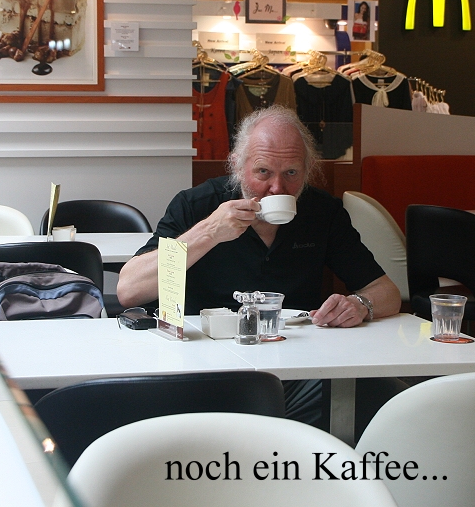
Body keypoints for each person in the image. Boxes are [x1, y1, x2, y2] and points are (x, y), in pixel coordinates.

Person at [118, 105, 402, 424]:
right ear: (238, 166)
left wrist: (360, 305)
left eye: (291, 173)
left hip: (293, 365)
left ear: (308, 170)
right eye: (263, 172)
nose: (277, 188)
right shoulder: (197, 205)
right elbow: (129, 290)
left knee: (384, 394)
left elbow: (387, 292)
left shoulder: (322, 212)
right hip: (203, 364)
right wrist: (209, 232)